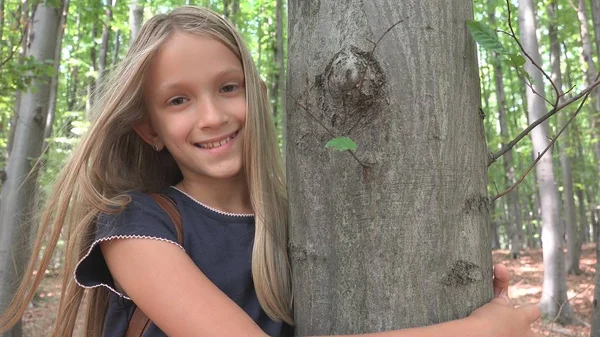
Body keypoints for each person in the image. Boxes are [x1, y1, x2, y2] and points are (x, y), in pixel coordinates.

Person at [0, 6, 541, 337]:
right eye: (179, 100)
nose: (212, 116)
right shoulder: (135, 227)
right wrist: (475, 332)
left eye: (227, 87)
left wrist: (444, 270)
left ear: (257, 95)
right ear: (149, 129)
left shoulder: (297, 221)